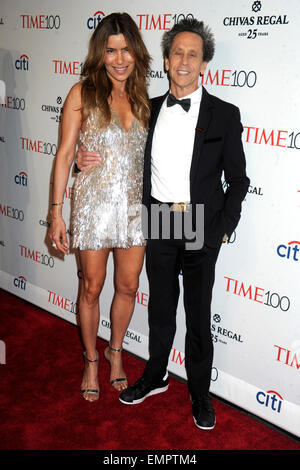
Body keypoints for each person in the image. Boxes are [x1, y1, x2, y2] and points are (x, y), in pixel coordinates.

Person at [77, 18, 249, 429]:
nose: (184, 61)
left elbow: (238, 180)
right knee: (161, 310)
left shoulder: (224, 114)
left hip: (198, 223)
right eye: (177, 53)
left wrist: (221, 228)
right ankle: (156, 375)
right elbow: (115, 146)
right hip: (155, 218)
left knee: (198, 314)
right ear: (167, 61)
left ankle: (200, 393)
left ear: (204, 63)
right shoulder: (147, 107)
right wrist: (84, 159)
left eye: (193, 54)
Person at [48, 13, 150, 401]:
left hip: (135, 210)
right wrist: (56, 212)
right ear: (100, 52)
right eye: (111, 50)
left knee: (128, 285)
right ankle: (91, 358)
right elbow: (64, 155)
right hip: (93, 206)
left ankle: (116, 350)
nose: (120, 58)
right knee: (91, 288)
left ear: (136, 53)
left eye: (126, 50)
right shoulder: (82, 93)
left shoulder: (142, 97)